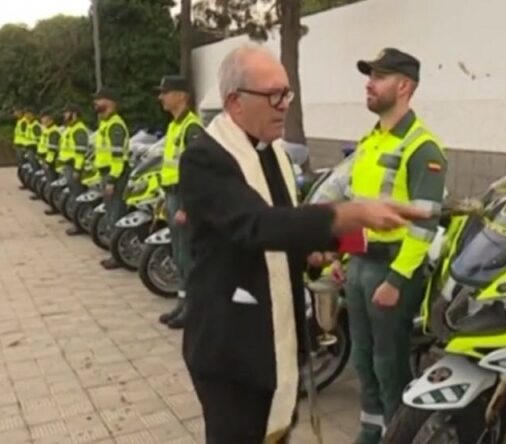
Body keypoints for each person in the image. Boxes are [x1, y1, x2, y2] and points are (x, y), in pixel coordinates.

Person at [179, 43, 429, 444]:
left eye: (288, 93)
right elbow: (258, 226)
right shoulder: (205, 157)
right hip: (231, 349)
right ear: (234, 102)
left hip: (273, 345)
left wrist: (319, 252)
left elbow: (286, 230)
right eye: (273, 95)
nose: (284, 105)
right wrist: (349, 214)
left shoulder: (272, 153)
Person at [333, 47, 447, 443]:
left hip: (392, 268)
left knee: (389, 362)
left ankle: (398, 434)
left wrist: (397, 281)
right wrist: (342, 254)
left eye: (379, 76)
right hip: (361, 264)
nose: (369, 83)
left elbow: (425, 222)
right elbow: (357, 206)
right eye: (370, 75)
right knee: (362, 358)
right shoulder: (371, 142)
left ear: (404, 86)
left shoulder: (422, 147)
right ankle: (371, 429)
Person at [154, 75, 203, 329]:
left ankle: (193, 309)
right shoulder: (174, 125)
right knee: (179, 253)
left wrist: (187, 206)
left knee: (187, 255)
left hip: (184, 199)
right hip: (173, 195)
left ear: (181, 96)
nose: (161, 97)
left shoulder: (191, 128)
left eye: (166, 92)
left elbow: (197, 172)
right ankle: (183, 302)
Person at [92, 88, 130, 269]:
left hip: (114, 175)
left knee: (116, 215)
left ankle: (118, 256)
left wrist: (112, 180)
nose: (95, 104)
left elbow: (117, 157)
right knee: (110, 215)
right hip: (106, 174)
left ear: (110, 103)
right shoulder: (105, 124)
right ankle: (115, 253)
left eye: (99, 100)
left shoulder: (115, 125)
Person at [59, 104, 90, 235]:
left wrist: (77, 169)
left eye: (67, 113)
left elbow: (80, 152)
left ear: (74, 114)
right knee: (73, 195)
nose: (65, 115)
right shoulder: (70, 129)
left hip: (74, 166)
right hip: (68, 165)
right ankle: (76, 221)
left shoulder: (79, 130)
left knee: (77, 196)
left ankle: (79, 225)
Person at [35, 110, 62, 212]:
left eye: (44, 118)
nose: (42, 120)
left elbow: (53, 149)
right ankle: (52, 204)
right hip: (45, 158)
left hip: (51, 161)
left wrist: (48, 162)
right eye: (42, 118)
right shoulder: (46, 130)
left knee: (52, 182)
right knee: (49, 182)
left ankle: (54, 206)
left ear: (50, 119)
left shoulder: (53, 131)